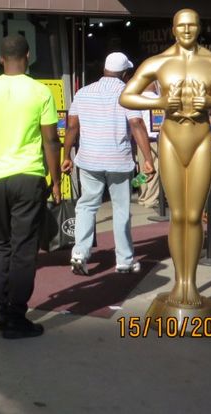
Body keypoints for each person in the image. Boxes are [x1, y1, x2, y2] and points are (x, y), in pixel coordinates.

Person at [120, 9, 211, 307]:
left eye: (192, 25)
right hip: (170, 138)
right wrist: (159, 101)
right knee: (177, 216)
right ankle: (178, 283)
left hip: (201, 139)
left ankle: (189, 284)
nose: (186, 30)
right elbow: (127, 96)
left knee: (193, 216)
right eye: (181, 25)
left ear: (200, 27)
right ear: (173, 28)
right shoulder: (158, 63)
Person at [0, 35, 61, 339]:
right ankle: (16, 315)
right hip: (29, 176)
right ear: (28, 56)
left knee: (0, 242)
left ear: (0, 58)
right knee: (23, 249)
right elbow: (50, 140)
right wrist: (57, 180)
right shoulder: (41, 91)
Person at [62, 52, 154, 277]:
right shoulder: (126, 93)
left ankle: (80, 253)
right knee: (121, 208)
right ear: (124, 73)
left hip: (89, 159)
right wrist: (148, 158)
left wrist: (66, 155)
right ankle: (124, 260)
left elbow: (72, 126)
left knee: (86, 205)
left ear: (104, 70)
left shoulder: (83, 92)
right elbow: (136, 124)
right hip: (118, 161)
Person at [137, 82, 162, 208]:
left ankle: (142, 196)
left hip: (141, 139)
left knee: (143, 169)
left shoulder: (137, 98)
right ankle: (150, 199)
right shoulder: (159, 99)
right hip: (155, 139)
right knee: (155, 170)